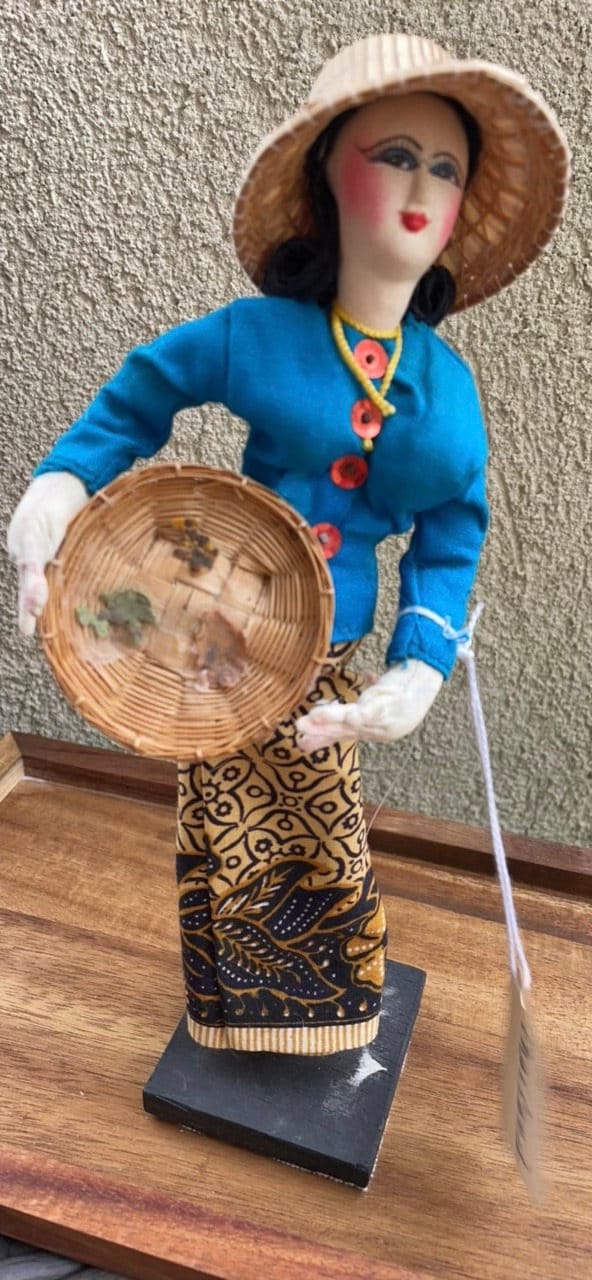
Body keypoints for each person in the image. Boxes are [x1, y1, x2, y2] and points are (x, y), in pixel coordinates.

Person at [7, 34, 569, 1054]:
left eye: (444, 168)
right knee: (222, 827)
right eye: (393, 153)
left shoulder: (451, 397)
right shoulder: (255, 336)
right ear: (329, 177)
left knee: (322, 826)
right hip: (221, 636)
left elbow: (452, 533)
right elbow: (143, 392)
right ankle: (231, 1014)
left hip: (330, 664)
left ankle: (323, 1012)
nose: (419, 185)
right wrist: (62, 483)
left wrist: (419, 665)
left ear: (457, 212)